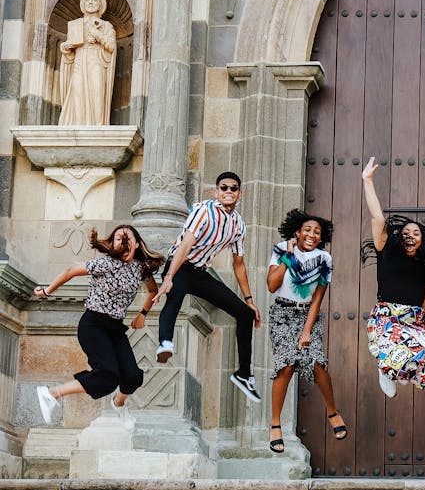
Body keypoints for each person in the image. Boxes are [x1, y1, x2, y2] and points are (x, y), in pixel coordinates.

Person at [152, 172, 262, 402]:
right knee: (174, 297)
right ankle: (165, 343)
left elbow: (239, 264)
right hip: (180, 265)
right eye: (224, 188)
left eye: (233, 188)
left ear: (239, 193)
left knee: (244, 313)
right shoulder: (204, 211)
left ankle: (243, 374)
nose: (228, 192)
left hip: (200, 273)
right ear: (216, 191)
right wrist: (169, 276)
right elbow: (185, 245)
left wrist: (250, 300)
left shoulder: (238, 224)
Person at [34, 225, 163, 422]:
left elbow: (153, 291)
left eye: (128, 238)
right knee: (107, 376)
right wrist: (47, 291)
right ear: (113, 244)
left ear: (137, 243)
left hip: (115, 329)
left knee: (133, 377)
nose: (124, 242)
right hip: (93, 325)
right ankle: (51, 393)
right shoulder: (105, 263)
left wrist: (142, 314)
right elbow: (71, 271)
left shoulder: (140, 267)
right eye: (119, 239)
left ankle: (118, 404)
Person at [360, 157, 425, 395]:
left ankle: (397, 367)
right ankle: (387, 367)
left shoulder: (424, 266)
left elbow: (424, 297)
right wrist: (367, 181)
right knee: (399, 356)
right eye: (406, 231)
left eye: (416, 232)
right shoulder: (386, 252)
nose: (411, 234)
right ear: (399, 237)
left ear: (423, 240)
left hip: (415, 317)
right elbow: (377, 219)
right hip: (388, 315)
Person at [266, 209, 346, 453]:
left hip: (307, 315)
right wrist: (288, 257)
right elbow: (271, 285)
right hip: (282, 313)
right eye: (308, 230)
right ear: (298, 233)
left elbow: (317, 299)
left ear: (321, 238)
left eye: (317, 232)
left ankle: (332, 410)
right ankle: (275, 423)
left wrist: (307, 331)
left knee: (316, 363)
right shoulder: (281, 249)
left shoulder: (324, 259)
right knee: (287, 365)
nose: (312, 234)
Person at [58, 0, 116, 126]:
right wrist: (66, 47)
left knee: (97, 91)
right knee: (77, 92)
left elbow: (111, 47)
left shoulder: (106, 25)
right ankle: (77, 125)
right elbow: (69, 54)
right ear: (83, 5)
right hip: (79, 59)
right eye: (87, 0)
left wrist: (97, 34)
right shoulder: (75, 24)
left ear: (100, 5)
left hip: (96, 60)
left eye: (94, 0)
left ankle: (97, 125)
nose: (90, 2)